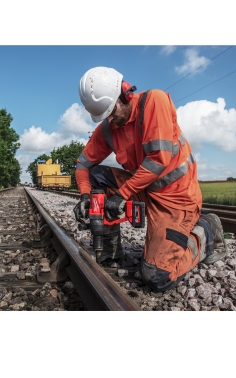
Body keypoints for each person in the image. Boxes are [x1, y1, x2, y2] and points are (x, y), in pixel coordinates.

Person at [73, 66, 227, 292]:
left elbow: (158, 159)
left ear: (125, 93)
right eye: (105, 115)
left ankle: (206, 231)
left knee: (156, 277)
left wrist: (122, 195)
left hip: (176, 199)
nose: (111, 119)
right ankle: (109, 250)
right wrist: (85, 195)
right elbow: (83, 164)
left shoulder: (154, 102)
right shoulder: (109, 127)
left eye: (112, 111)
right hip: (145, 190)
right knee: (97, 176)